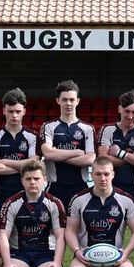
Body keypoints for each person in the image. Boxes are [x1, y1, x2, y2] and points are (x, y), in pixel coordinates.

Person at [40, 80, 96, 208]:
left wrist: (58, 154)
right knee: (55, 227)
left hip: (81, 187)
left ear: (78, 101)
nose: (68, 103)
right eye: (64, 100)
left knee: (79, 227)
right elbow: (48, 153)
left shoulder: (87, 128)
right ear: (58, 101)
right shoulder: (48, 127)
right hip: (54, 187)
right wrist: (77, 152)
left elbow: (90, 159)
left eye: (72, 99)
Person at [97, 89, 134, 202]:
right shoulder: (107, 130)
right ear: (119, 109)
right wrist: (133, 157)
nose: (130, 116)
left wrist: (120, 153)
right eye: (127, 111)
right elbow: (102, 160)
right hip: (110, 191)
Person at [0, 88, 38, 205]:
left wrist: (4, 161)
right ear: (4, 111)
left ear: (24, 111)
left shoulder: (33, 137)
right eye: (10, 111)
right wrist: (23, 167)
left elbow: (33, 167)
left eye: (18, 111)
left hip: (26, 197)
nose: (14, 115)